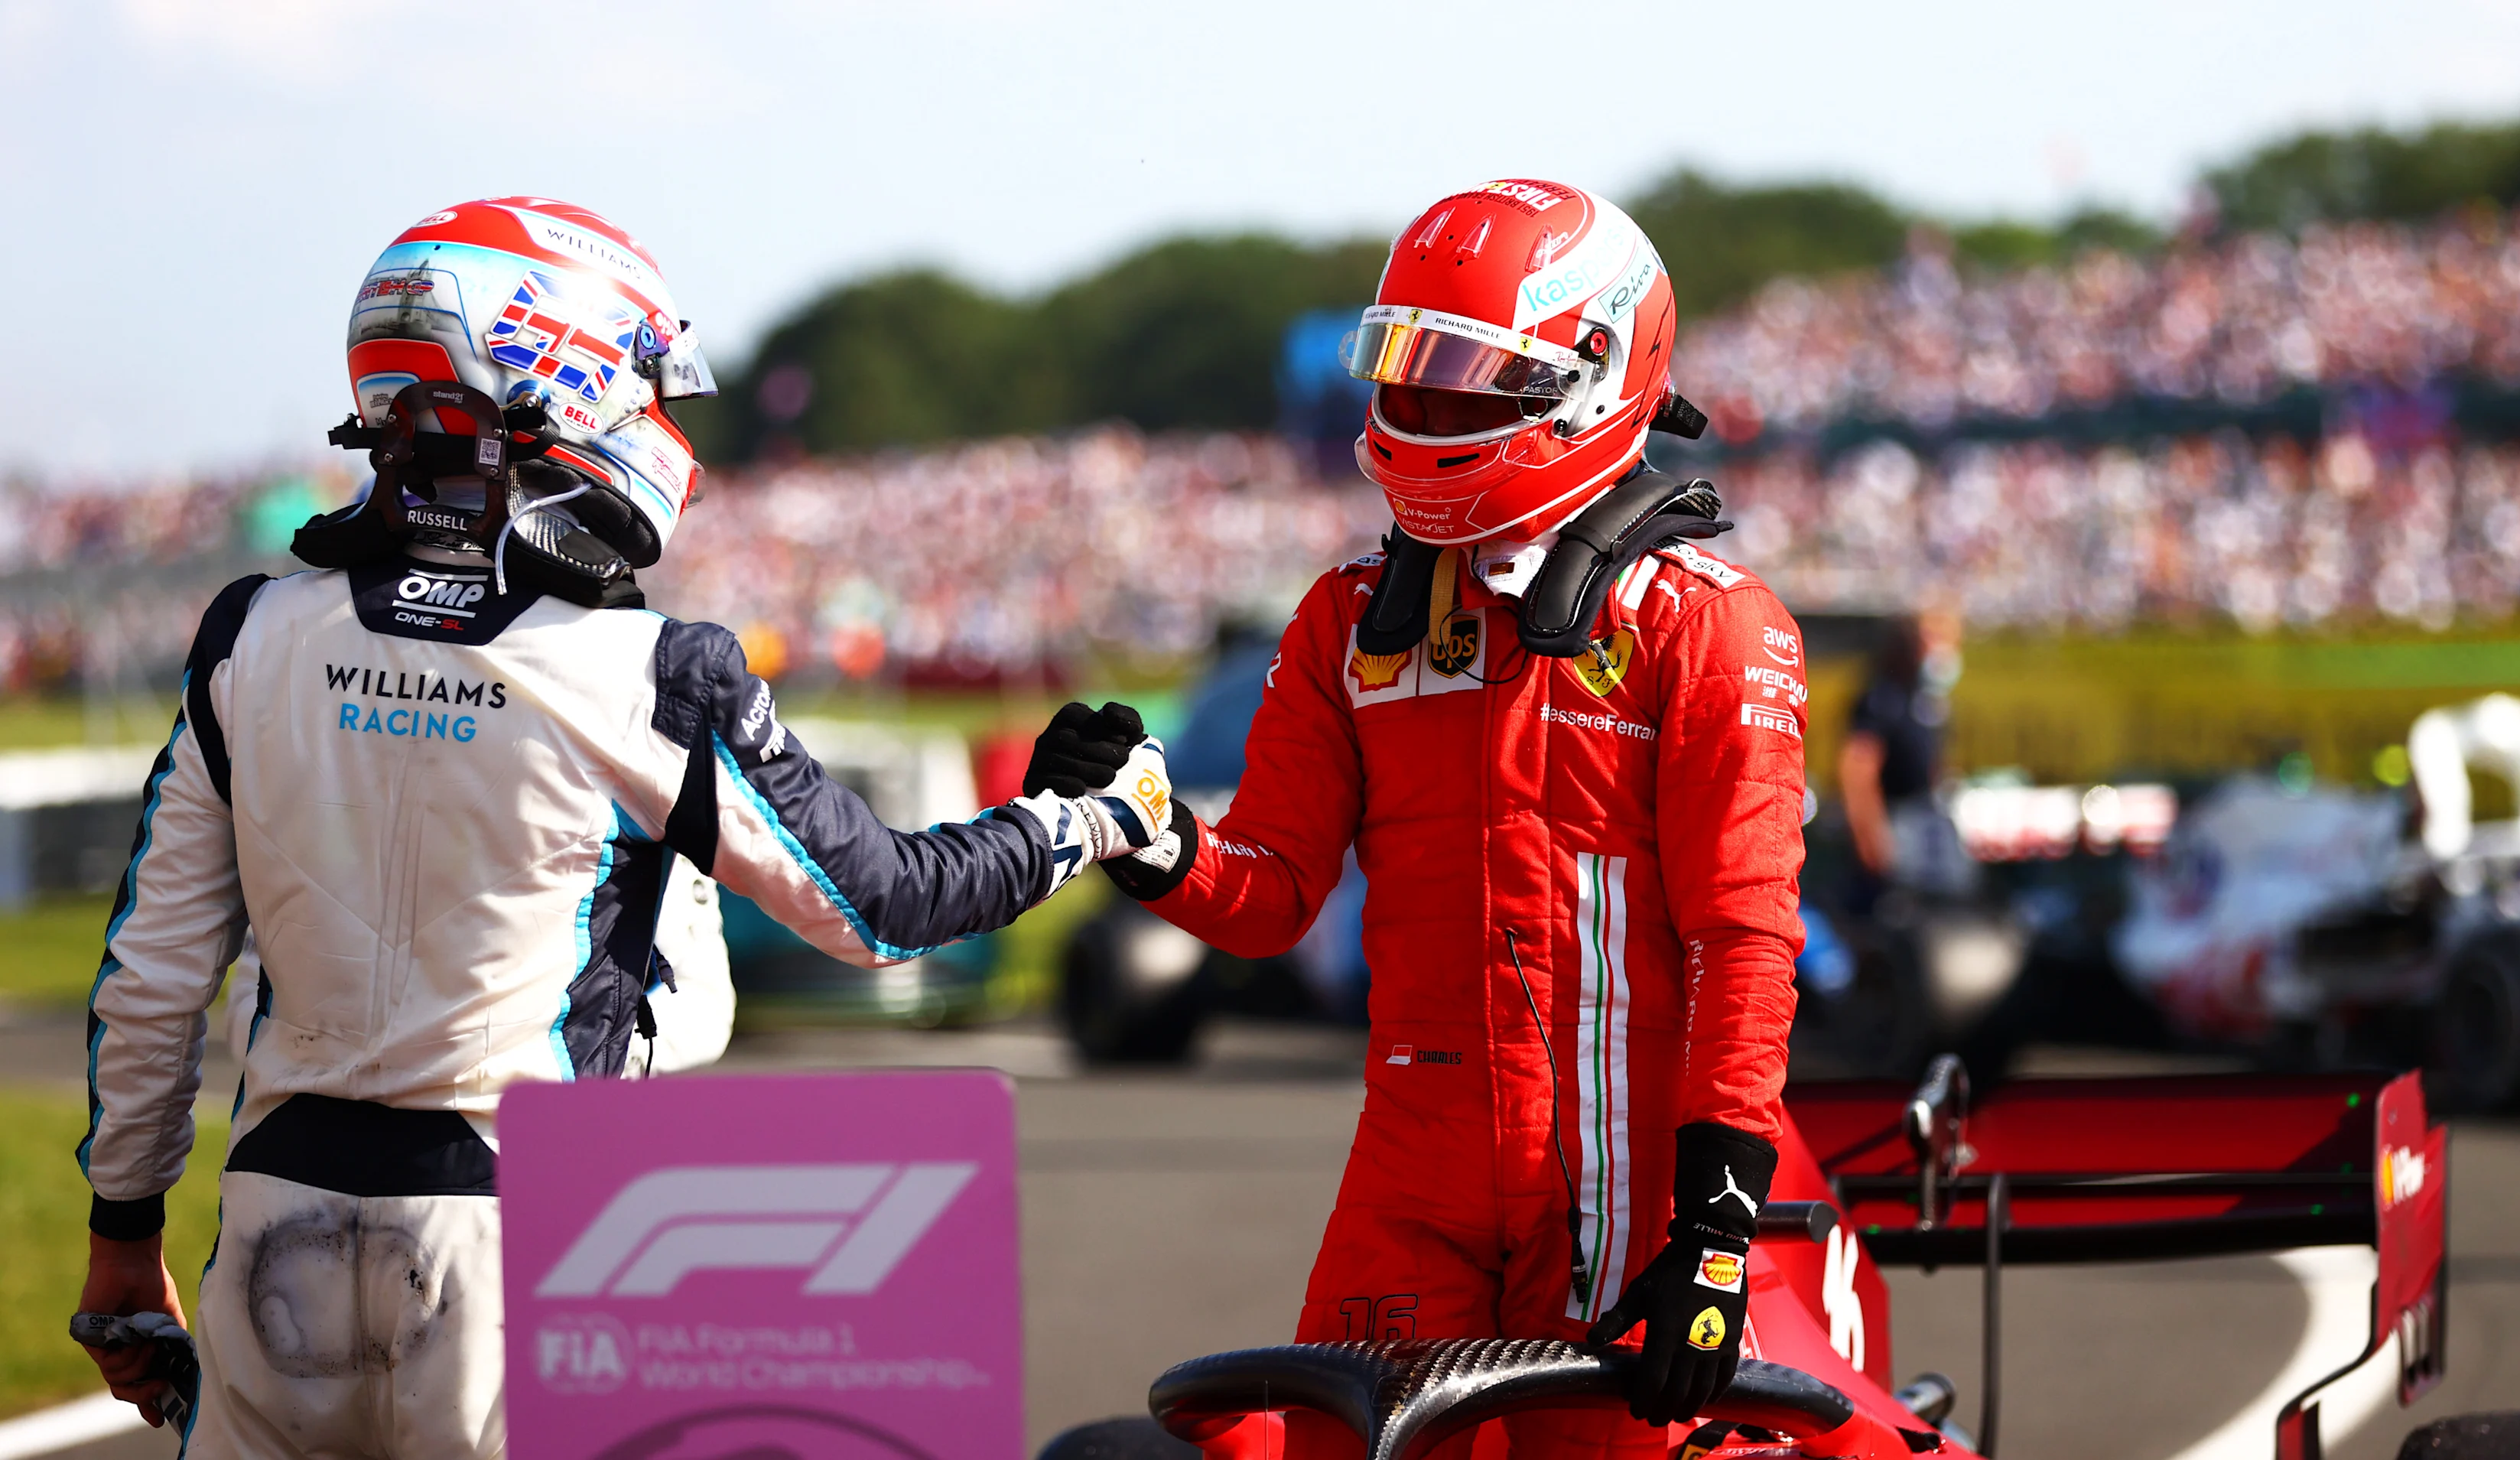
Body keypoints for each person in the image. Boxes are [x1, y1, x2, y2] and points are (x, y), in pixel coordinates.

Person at [75, 197, 1171, 1458]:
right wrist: (1091, 815)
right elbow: (883, 907)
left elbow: (150, 979)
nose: (660, 419)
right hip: (520, 1237)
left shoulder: (249, 633)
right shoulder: (649, 669)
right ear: (562, 380)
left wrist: (120, 1238)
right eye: (646, 382)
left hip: (271, 1222)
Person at [1064, 179, 1809, 1454]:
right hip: (1412, 1172)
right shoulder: (1347, 618)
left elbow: (1739, 935)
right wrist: (1152, 837)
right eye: (1409, 370)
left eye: (1468, 377)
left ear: (1587, 373)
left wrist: (1719, 1227)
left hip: (1630, 1193)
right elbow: (1268, 895)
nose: (1423, 409)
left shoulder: (1709, 623)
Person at [1835, 608, 1971, 903]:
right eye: (1933, 639)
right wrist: (1872, 840)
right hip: (1897, 824)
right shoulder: (1882, 698)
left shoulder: (1926, 700)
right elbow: (1857, 773)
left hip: (1928, 824)